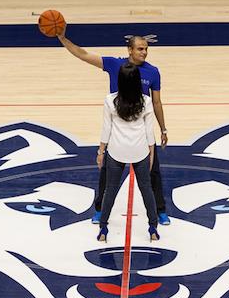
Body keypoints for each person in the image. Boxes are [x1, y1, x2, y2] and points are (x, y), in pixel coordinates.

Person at [57, 27, 171, 225]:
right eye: (140, 49)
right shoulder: (114, 64)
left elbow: (157, 103)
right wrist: (62, 38)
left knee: (153, 172)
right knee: (107, 175)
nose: (144, 52)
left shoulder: (153, 72)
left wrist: (163, 129)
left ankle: (159, 211)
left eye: (145, 49)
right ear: (129, 50)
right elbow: (83, 54)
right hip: (117, 131)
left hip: (140, 131)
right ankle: (101, 210)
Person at [96, 62, 159, 242]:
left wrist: (101, 152)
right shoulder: (146, 101)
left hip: (116, 152)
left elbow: (105, 130)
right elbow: (149, 132)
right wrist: (151, 154)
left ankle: (103, 229)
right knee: (147, 190)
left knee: (110, 190)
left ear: (120, 81)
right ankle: (153, 228)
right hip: (140, 152)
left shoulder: (110, 100)